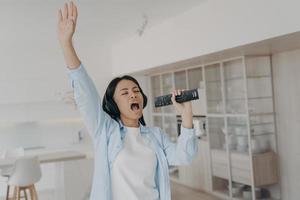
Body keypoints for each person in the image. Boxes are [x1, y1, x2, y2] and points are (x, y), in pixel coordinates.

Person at [57, 2, 198, 200]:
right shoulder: (105, 131)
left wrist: (186, 116)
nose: (133, 94)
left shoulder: (156, 136)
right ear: (114, 104)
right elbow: (85, 93)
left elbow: (185, 156)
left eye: (136, 90)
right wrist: (66, 44)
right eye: (124, 93)